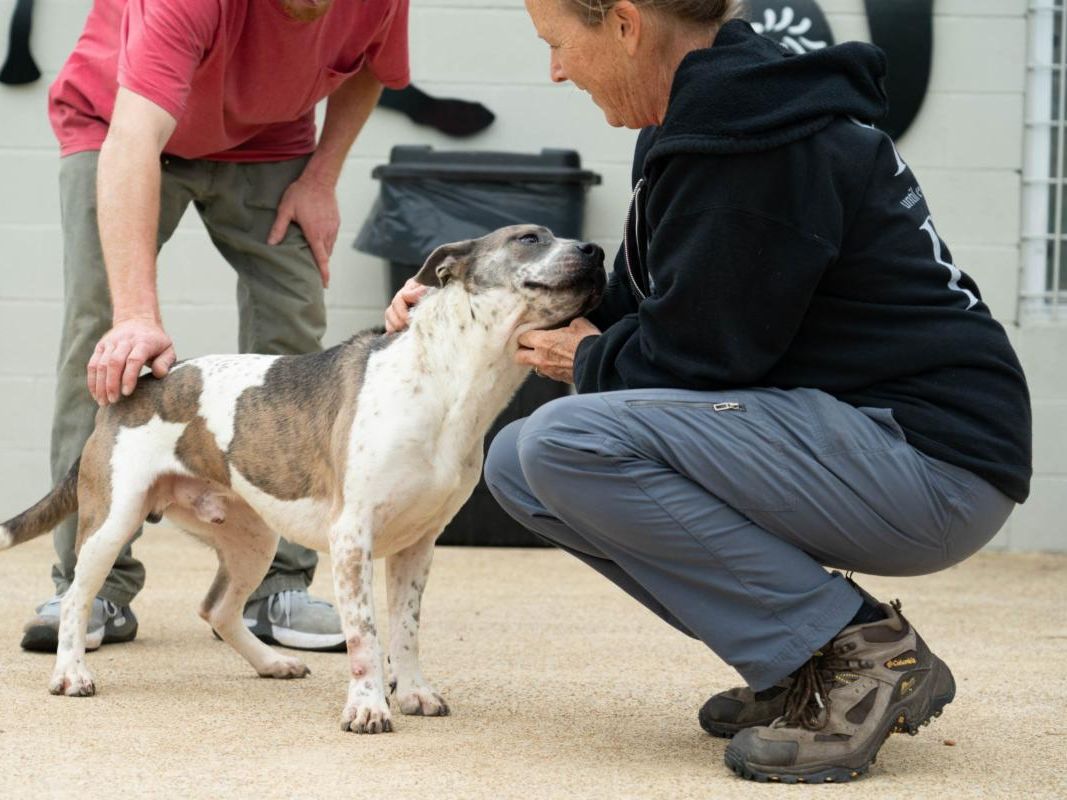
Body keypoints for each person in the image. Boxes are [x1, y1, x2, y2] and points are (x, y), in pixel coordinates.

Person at [389, 0, 1031, 784]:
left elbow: (699, 358)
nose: (555, 70)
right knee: (519, 464)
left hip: (927, 460)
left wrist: (586, 359)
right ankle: (800, 662)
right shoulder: (713, 117)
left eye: (558, 43)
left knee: (564, 441)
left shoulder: (753, 142)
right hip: (856, 442)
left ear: (624, 24)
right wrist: (456, 301)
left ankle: (862, 655)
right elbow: (655, 308)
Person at [22, 0, 410, 655]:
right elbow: (134, 138)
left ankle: (277, 585)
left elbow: (374, 66)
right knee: (105, 337)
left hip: (269, 140)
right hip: (119, 121)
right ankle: (92, 587)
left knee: (294, 328)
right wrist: (136, 315)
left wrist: (321, 177)